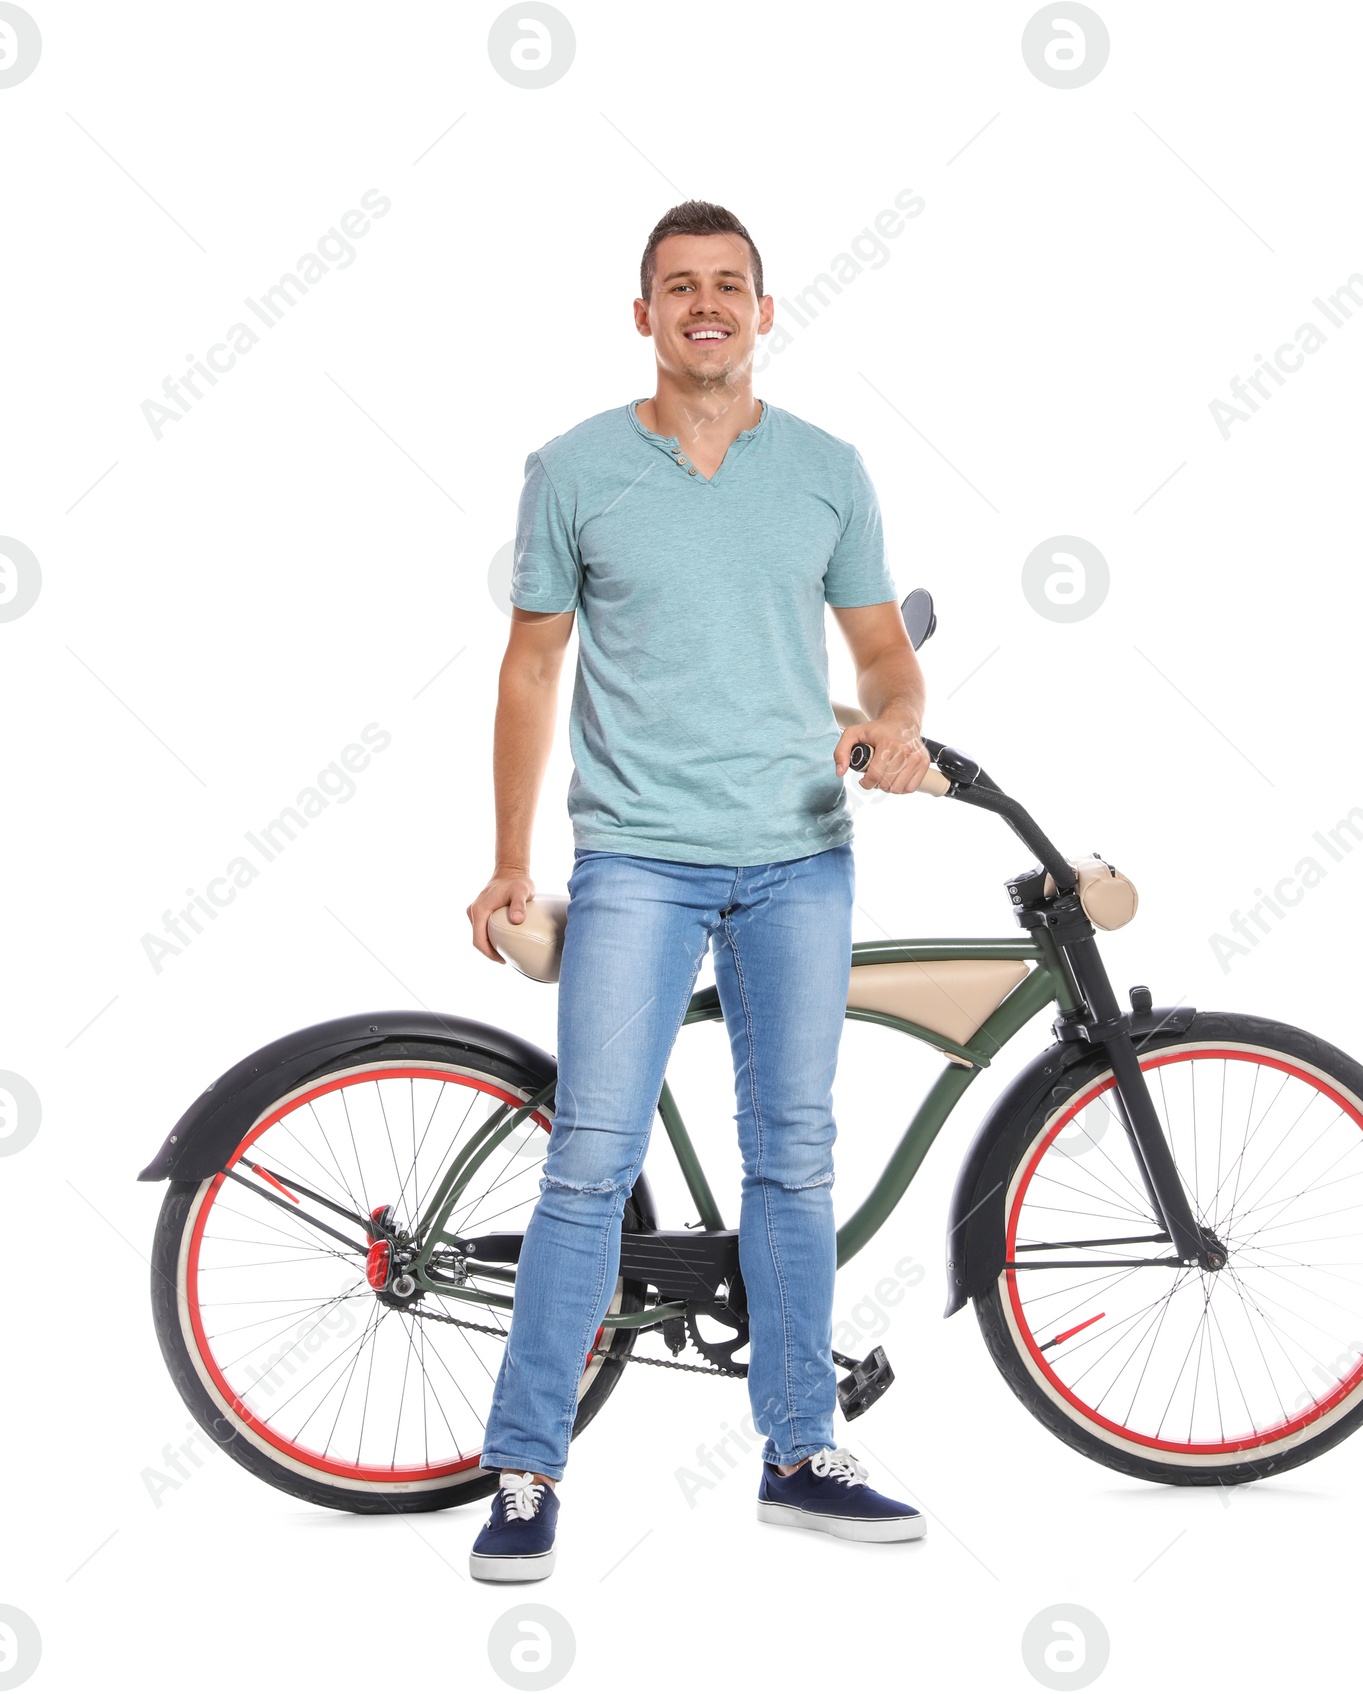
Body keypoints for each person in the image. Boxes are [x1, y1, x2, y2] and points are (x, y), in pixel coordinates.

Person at [464, 201, 931, 1582]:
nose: (707, 305)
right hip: (640, 856)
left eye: (731, 285)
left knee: (793, 1156)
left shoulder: (829, 471)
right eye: (681, 287)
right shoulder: (575, 470)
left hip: (800, 854)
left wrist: (898, 720)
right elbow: (532, 670)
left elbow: (882, 650)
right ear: (645, 315)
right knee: (592, 1159)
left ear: (766, 311)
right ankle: (527, 1467)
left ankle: (801, 1449)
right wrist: (509, 858)